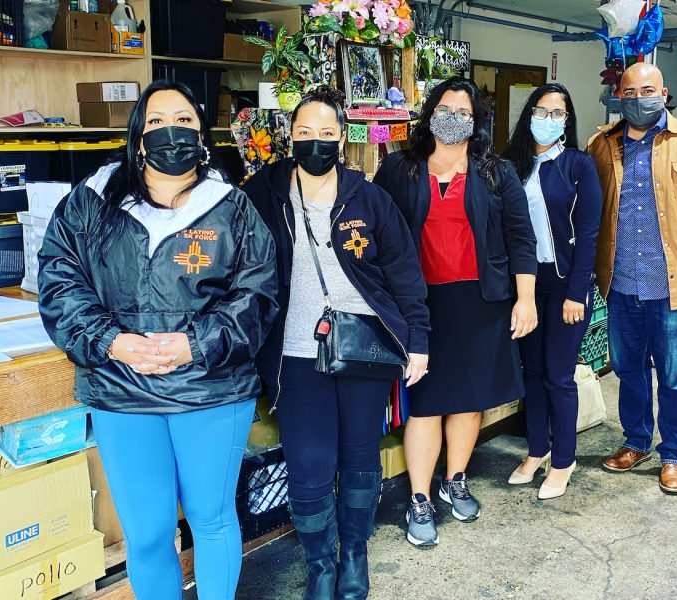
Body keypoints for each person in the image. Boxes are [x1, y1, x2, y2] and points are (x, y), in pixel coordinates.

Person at [37, 81, 279, 600]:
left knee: (212, 520)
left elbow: (258, 295)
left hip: (211, 388)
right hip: (121, 388)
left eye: (184, 120)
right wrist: (111, 341)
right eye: (156, 121)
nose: (171, 131)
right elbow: (59, 279)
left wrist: (197, 344)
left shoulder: (232, 208)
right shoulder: (92, 201)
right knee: (147, 535)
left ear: (202, 135)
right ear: (139, 137)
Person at [243, 86, 430, 600]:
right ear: (290, 136)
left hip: (363, 348)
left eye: (326, 132)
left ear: (342, 138)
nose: (316, 142)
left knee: (361, 458)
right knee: (309, 465)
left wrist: (417, 339)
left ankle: (354, 554)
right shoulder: (263, 194)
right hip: (296, 355)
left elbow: (405, 273)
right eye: (305, 132)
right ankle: (320, 564)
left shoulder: (369, 198)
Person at [373, 77, 538, 547]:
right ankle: (419, 497)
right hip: (419, 306)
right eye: (445, 109)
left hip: (481, 303)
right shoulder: (399, 168)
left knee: (468, 400)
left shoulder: (497, 173)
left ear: (477, 121)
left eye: (464, 113)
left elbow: (521, 238)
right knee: (425, 403)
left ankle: (455, 480)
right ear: (430, 113)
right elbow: (377, 231)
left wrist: (525, 298)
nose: (453, 119)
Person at [586, 63, 677, 494]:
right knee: (628, 370)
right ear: (619, 96)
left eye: (648, 90)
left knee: (673, 376)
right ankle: (636, 442)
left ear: (664, 93)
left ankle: (673, 454)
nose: (639, 99)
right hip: (621, 283)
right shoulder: (602, 145)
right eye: (630, 92)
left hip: (674, 284)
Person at [503, 83, 602, 499]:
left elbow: (589, 234)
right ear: (529, 114)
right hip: (525, 285)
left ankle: (563, 460)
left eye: (557, 114)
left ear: (567, 121)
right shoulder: (512, 165)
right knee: (532, 373)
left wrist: (577, 293)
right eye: (541, 111)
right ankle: (537, 450)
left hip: (565, 285)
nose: (548, 120)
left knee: (559, 376)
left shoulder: (578, 165)